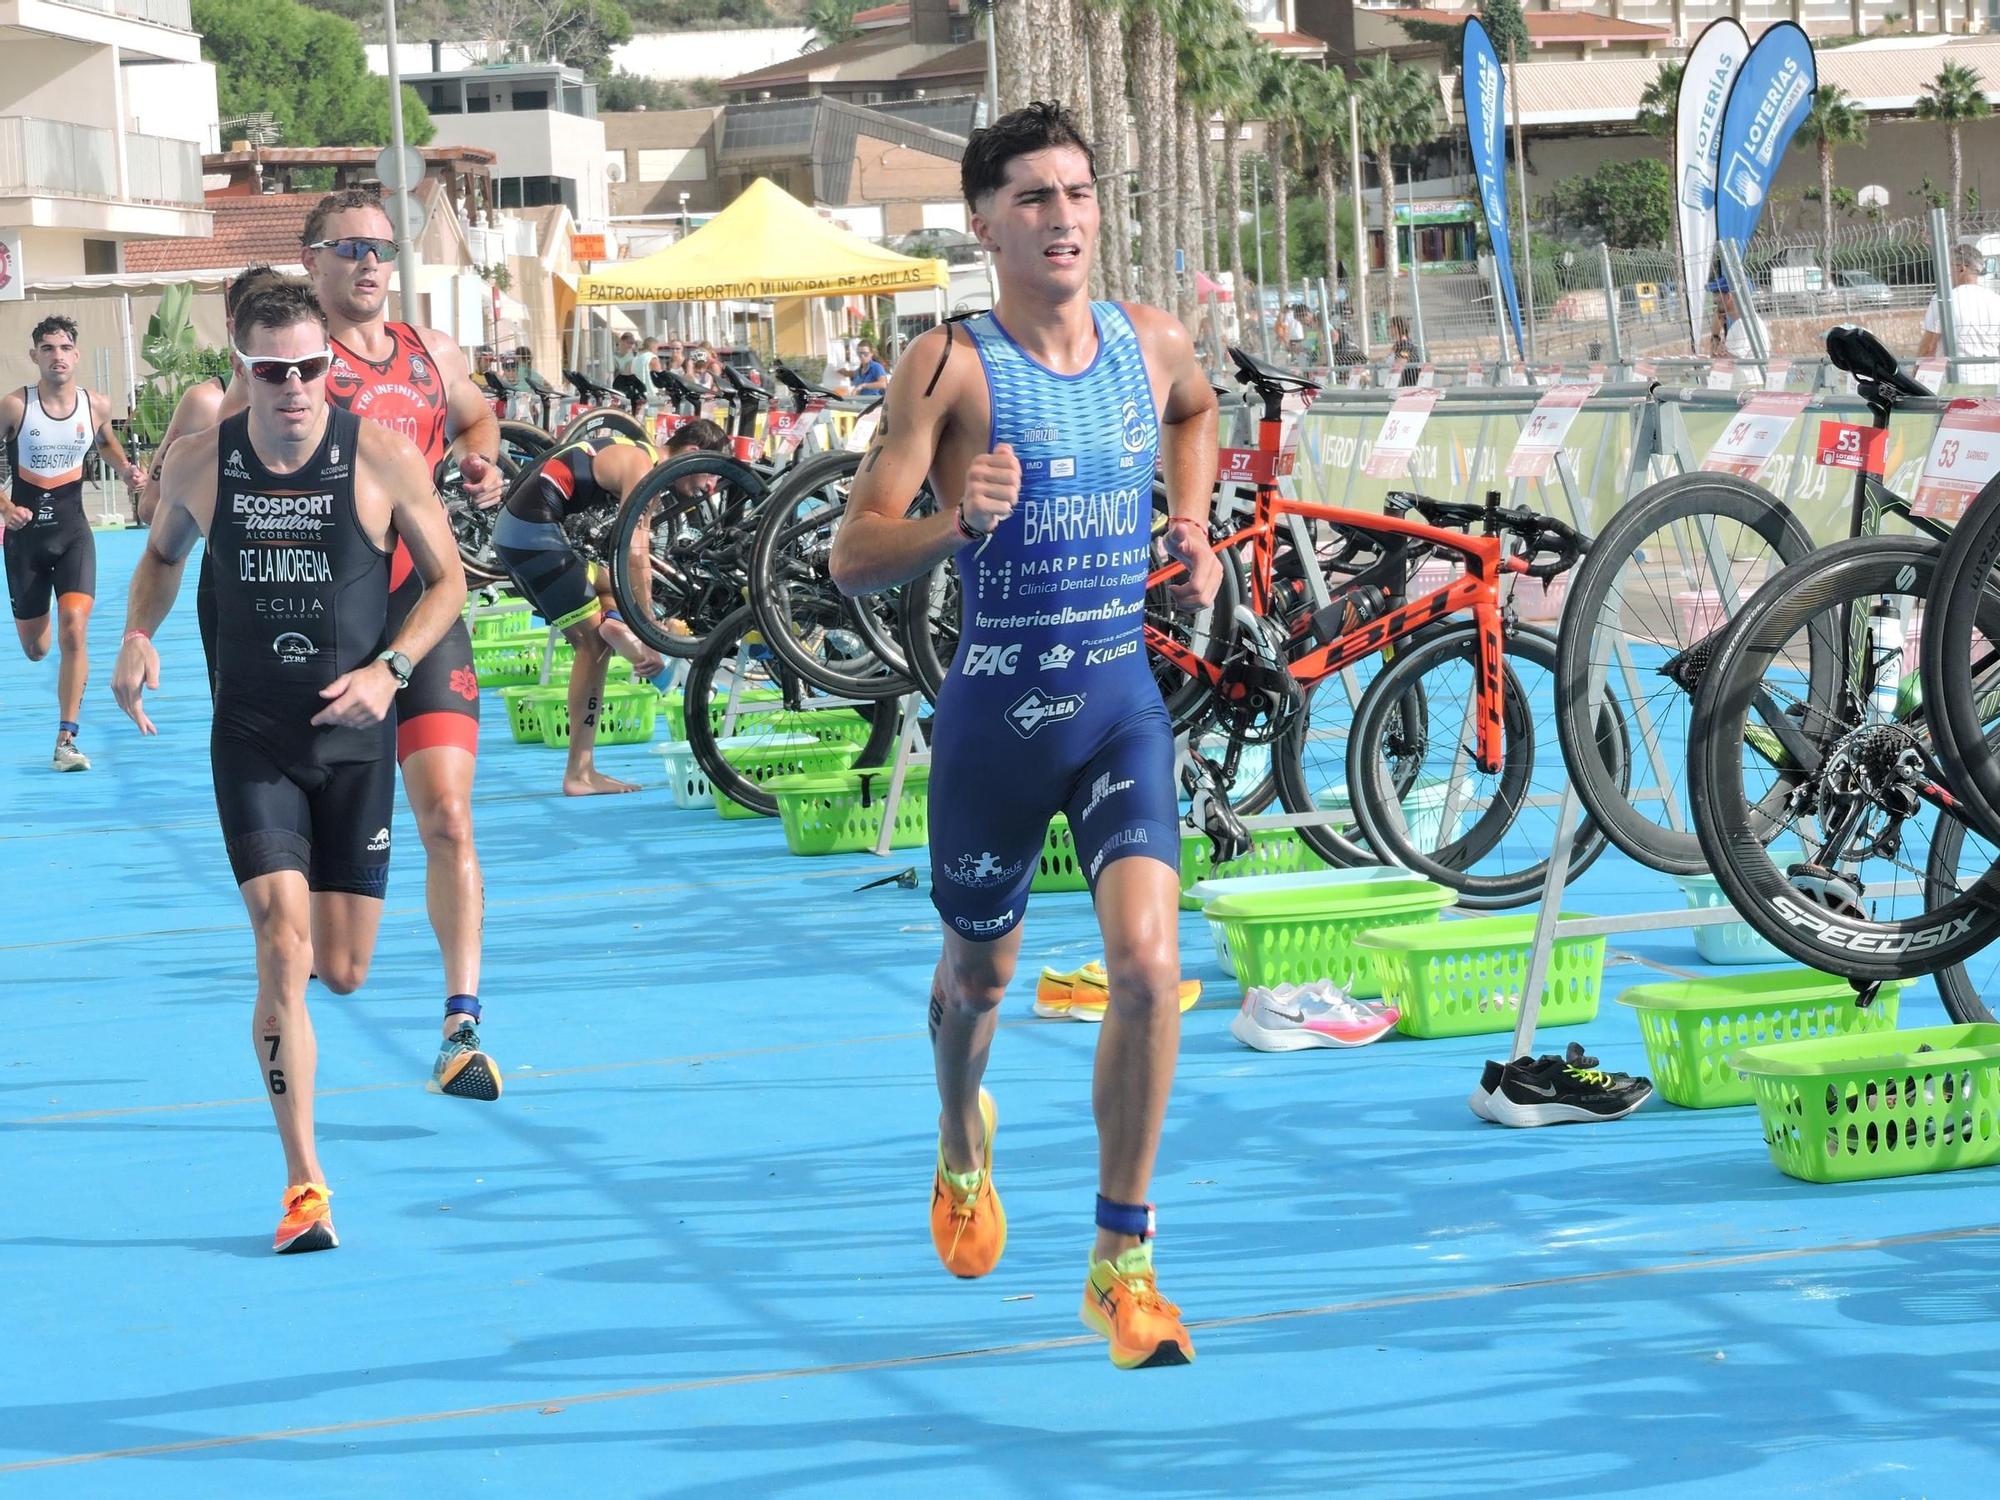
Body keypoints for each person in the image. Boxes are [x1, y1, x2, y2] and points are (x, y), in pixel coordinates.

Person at [829, 101, 1221, 1370]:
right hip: (996, 720)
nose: (1063, 218)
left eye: (1078, 192)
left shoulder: (1149, 340)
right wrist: (956, 522)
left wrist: (1193, 523)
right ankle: (957, 1140)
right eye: (1035, 198)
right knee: (978, 985)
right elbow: (848, 558)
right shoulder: (946, 367)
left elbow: (1195, 412)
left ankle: (1121, 1260)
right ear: (983, 222)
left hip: (1115, 709)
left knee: (1149, 970)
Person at [112, 277, 469, 1253]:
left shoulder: (383, 460)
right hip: (254, 738)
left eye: (312, 367)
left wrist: (391, 671)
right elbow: (158, 559)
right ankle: (304, 1182)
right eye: (274, 372)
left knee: (344, 971)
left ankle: (314, 1024)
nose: (297, 387)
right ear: (244, 371)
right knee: (282, 942)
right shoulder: (200, 464)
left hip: (354, 741)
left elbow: (450, 584)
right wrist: (138, 635)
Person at [209, 188, 505, 1100]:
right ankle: (288, 944)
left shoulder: (431, 353)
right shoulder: (283, 364)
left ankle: (461, 1026)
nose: (370, 263)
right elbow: (217, 482)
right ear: (312, 263)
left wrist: (481, 458)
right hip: (324, 641)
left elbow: (476, 417)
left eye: (382, 248)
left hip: (420, 614)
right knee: (338, 963)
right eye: (347, 248)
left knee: (450, 817)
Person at [490, 424, 692, 795]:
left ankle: (615, 625)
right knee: (591, 647)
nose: (711, 486)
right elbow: (634, 551)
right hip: (530, 535)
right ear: (690, 451)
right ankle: (579, 774)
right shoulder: (642, 467)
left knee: (610, 586)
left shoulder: (634, 450)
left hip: (526, 530)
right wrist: (647, 624)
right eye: (709, 472)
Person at [2, 314, 146, 771]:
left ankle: (66, 739)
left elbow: (105, 444)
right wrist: (5, 508)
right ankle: (37, 639)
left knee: (74, 629)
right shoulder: (14, 407)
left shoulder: (95, 404)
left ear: (76, 355)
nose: (57, 356)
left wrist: (125, 469)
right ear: (35, 356)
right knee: (37, 648)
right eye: (48, 349)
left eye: (64, 348)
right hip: (24, 540)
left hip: (73, 534)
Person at [139, 265, 290, 697]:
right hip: (233, 580)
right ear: (233, 327)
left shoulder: (311, 387)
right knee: (239, 718)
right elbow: (151, 507)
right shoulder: (204, 402)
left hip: (316, 573)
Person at [1919, 242, 2000, 384]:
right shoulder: (1995, 299)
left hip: (1956, 383)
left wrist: (1917, 380)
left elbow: (1929, 348)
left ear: (1962, 268)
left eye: (1949, 267)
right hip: (1991, 380)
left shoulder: (1943, 299)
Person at [611, 331, 654, 415]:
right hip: (621, 388)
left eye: (632, 343)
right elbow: (611, 375)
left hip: (635, 388)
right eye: (628, 343)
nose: (630, 345)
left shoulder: (635, 355)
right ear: (621, 342)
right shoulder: (614, 357)